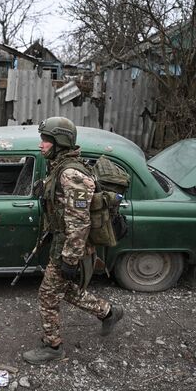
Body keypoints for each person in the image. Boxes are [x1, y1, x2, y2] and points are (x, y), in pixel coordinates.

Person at [22, 117, 124, 365]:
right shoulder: (60, 167)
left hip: (71, 246)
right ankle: (109, 312)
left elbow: (79, 223)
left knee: (47, 295)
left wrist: (70, 259)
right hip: (63, 242)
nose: (41, 145)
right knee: (67, 291)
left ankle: (53, 347)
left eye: (46, 140)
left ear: (60, 142)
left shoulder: (71, 174)